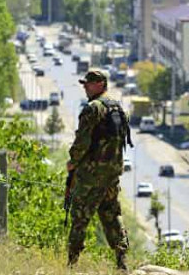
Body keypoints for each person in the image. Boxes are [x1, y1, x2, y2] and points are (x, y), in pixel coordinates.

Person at [66, 70, 129, 270]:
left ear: (101, 84)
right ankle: (121, 261)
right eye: (85, 84)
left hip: (92, 175)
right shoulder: (118, 108)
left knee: (79, 215)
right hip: (111, 174)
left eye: (89, 83)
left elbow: (82, 141)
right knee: (111, 214)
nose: (85, 87)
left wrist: (73, 162)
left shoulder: (93, 109)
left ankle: (72, 263)